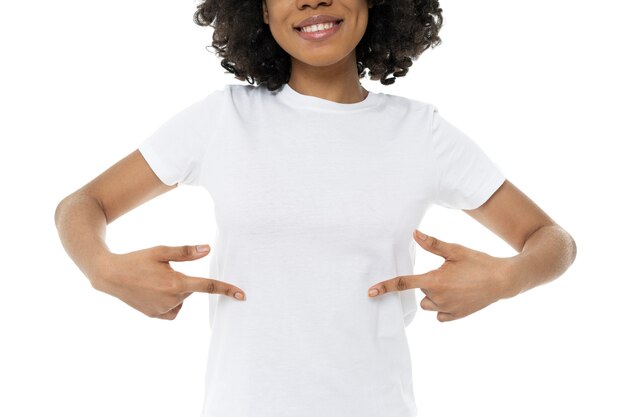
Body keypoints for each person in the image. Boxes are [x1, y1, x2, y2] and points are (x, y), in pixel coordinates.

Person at [54, 0, 577, 416]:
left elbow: (552, 240)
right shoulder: (223, 119)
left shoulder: (422, 134)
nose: (312, 1)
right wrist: (104, 270)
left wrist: (508, 279)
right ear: (260, 10)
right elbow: (83, 204)